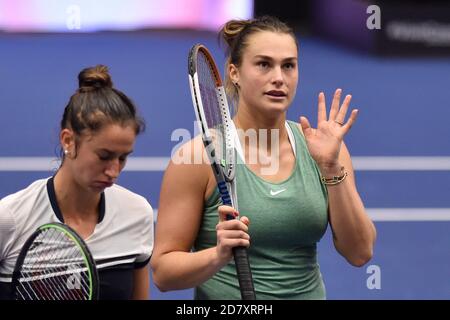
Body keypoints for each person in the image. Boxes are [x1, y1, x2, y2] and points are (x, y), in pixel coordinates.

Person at [151, 16, 376, 299]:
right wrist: (217, 256)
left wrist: (332, 168)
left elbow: (360, 252)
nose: (279, 78)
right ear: (234, 73)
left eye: (288, 66)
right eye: (264, 64)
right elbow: (163, 273)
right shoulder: (197, 158)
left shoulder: (325, 151)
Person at [0, 65, 153, 300]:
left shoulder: (136, 213)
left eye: (122, 158)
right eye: (104, 156)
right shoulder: (9, 219)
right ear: (68, 141)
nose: (114, 171)